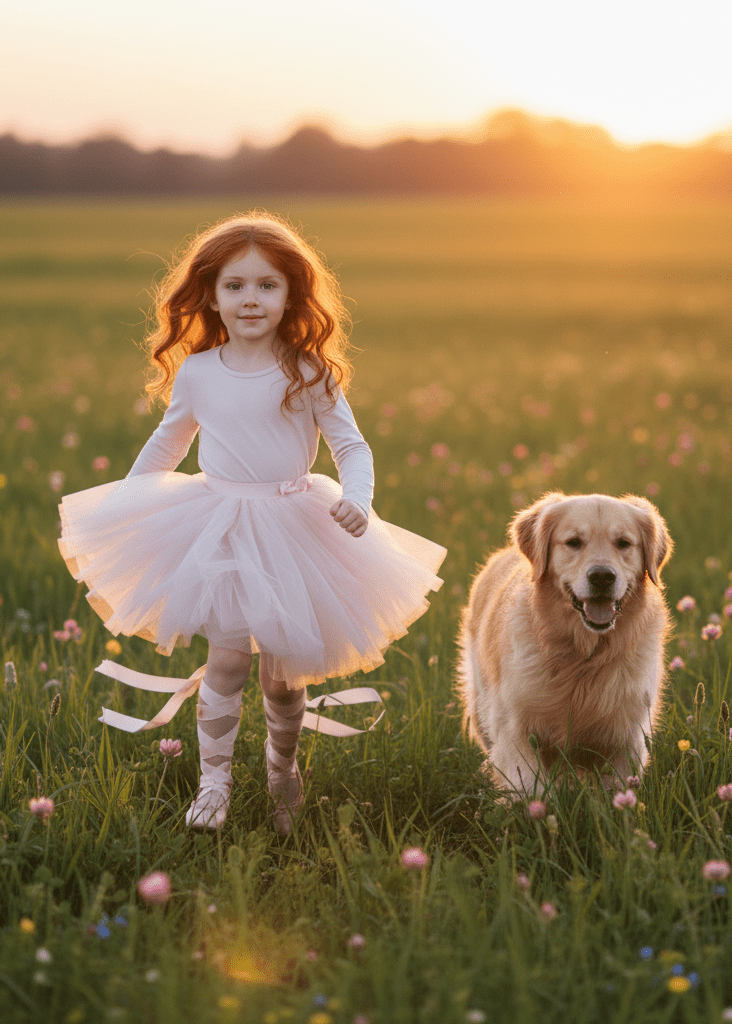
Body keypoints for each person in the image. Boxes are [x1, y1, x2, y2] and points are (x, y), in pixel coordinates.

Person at [58, 211, 445, 834]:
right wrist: (128, 507)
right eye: (235, 286)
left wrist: (360, 499)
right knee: (228, 662)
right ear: (210, 294)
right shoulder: (200, 372)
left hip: (296, 524)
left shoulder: (307, 369)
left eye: (267, 285)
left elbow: (352, 447)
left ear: (291, 292)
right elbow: (166, 445)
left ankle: (281, 770)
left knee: (285, 677)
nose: (250, 299)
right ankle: (214, 782)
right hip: (220, 526)